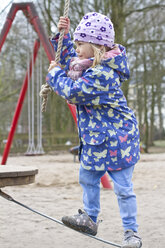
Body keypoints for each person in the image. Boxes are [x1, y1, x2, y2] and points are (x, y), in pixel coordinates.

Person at [44, 12, 142, 248]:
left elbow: (74, 92)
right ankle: (89, 218)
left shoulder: (103, 74)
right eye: (76, 44)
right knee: (87, 177)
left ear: (97, 46)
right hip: (97, 139)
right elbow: (70, 61)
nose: (77, 49)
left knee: (123, 188)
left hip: (119, 140)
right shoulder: (86, 65)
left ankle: (131, 233)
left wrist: (54, 74)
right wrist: (63, 37)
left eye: (80, 44)